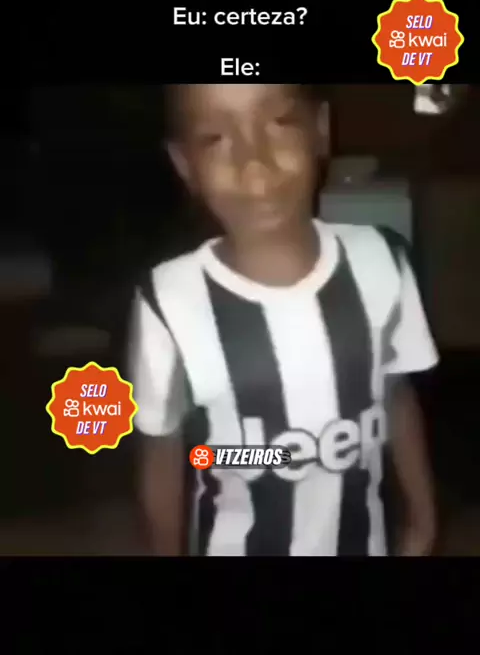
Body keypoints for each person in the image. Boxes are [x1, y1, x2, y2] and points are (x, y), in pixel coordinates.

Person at [129, 83, 438, 556]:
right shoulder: (167, 300)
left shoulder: (383, 263)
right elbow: (162, 450)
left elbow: (396, 393)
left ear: (320, 130)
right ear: (185, 165)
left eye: (279, 122)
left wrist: (422, 518)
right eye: (215, 138)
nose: (254, 162)